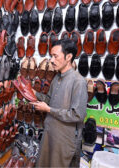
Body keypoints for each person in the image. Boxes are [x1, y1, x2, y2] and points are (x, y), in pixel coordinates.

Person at [30, 39, 88, 167]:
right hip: (50, 133)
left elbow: (77, 115)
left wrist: (49, 110)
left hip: (64, 140)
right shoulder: (57, 77)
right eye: (51, 56)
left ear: (68, 57)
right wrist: (33, 93)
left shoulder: (78, 82)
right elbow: (50, 100)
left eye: (55, 56)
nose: (51, 60)